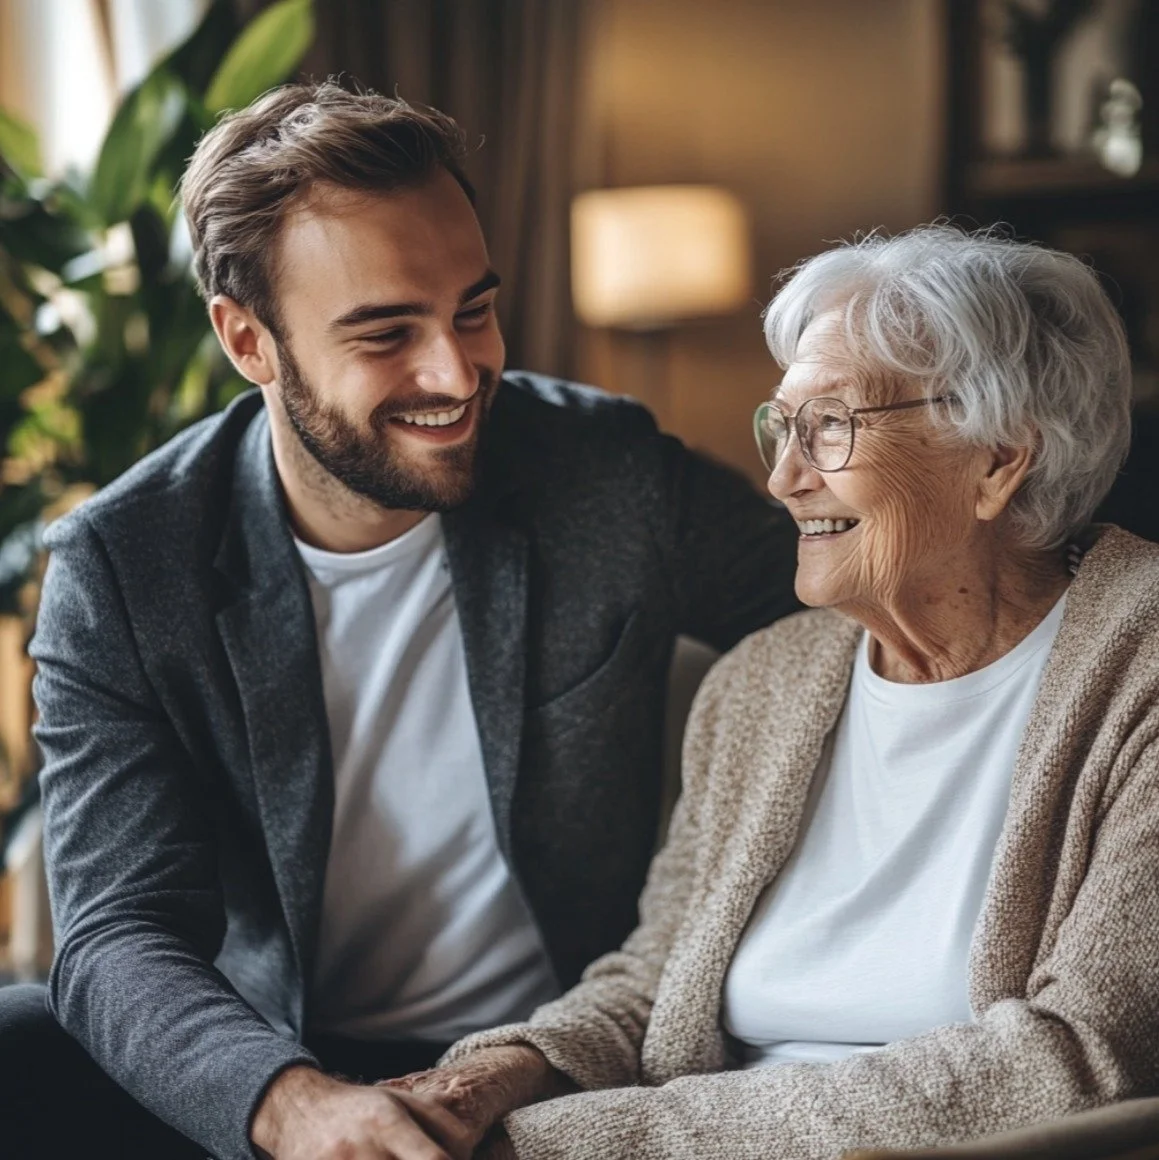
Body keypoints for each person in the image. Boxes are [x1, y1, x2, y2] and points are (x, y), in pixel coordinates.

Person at [0, 82, 799, 1159]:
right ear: (249, 340)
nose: (457, 371)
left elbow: (845, 602)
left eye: (474, 307)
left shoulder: (604, 473)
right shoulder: (126, 564)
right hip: (274, 1057)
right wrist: (293, 1104)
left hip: (553, 1055)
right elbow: (117, 931)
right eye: (386, 331)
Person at [397, 225, 1159, 1159]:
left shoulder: (1139, 673)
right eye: (782, 425)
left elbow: (1077, 1056)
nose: (783, 477)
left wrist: (576, 1142)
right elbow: (651, 984)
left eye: (830, 426)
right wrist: (474, 1087)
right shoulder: (758, 685)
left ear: (999, 460)